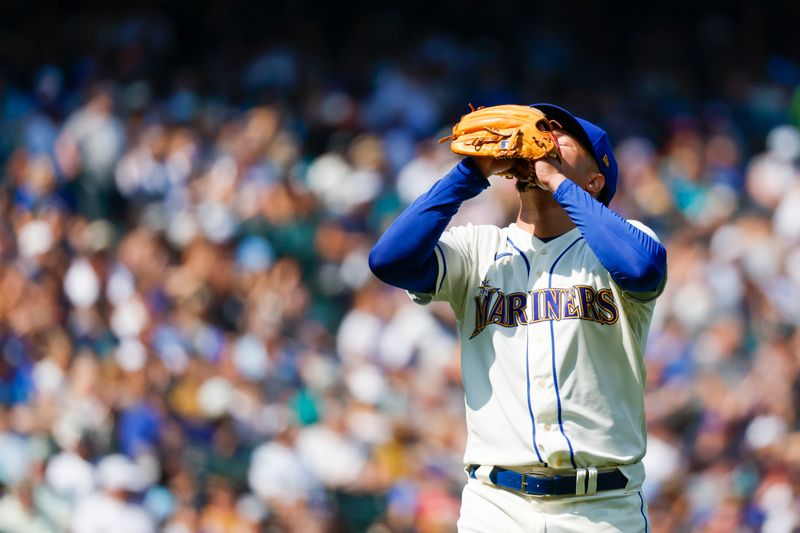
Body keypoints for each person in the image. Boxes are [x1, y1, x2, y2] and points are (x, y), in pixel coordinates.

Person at [369, 103, 667, 532]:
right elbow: (388, 261)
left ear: (595, 180)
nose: (543, 136)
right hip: (496, 507)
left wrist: (557, 182)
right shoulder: (477, 249)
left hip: (603, 510)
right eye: (540, 127)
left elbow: (642, 270)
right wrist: (470, 173)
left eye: (562, 135)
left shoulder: (626, 243)